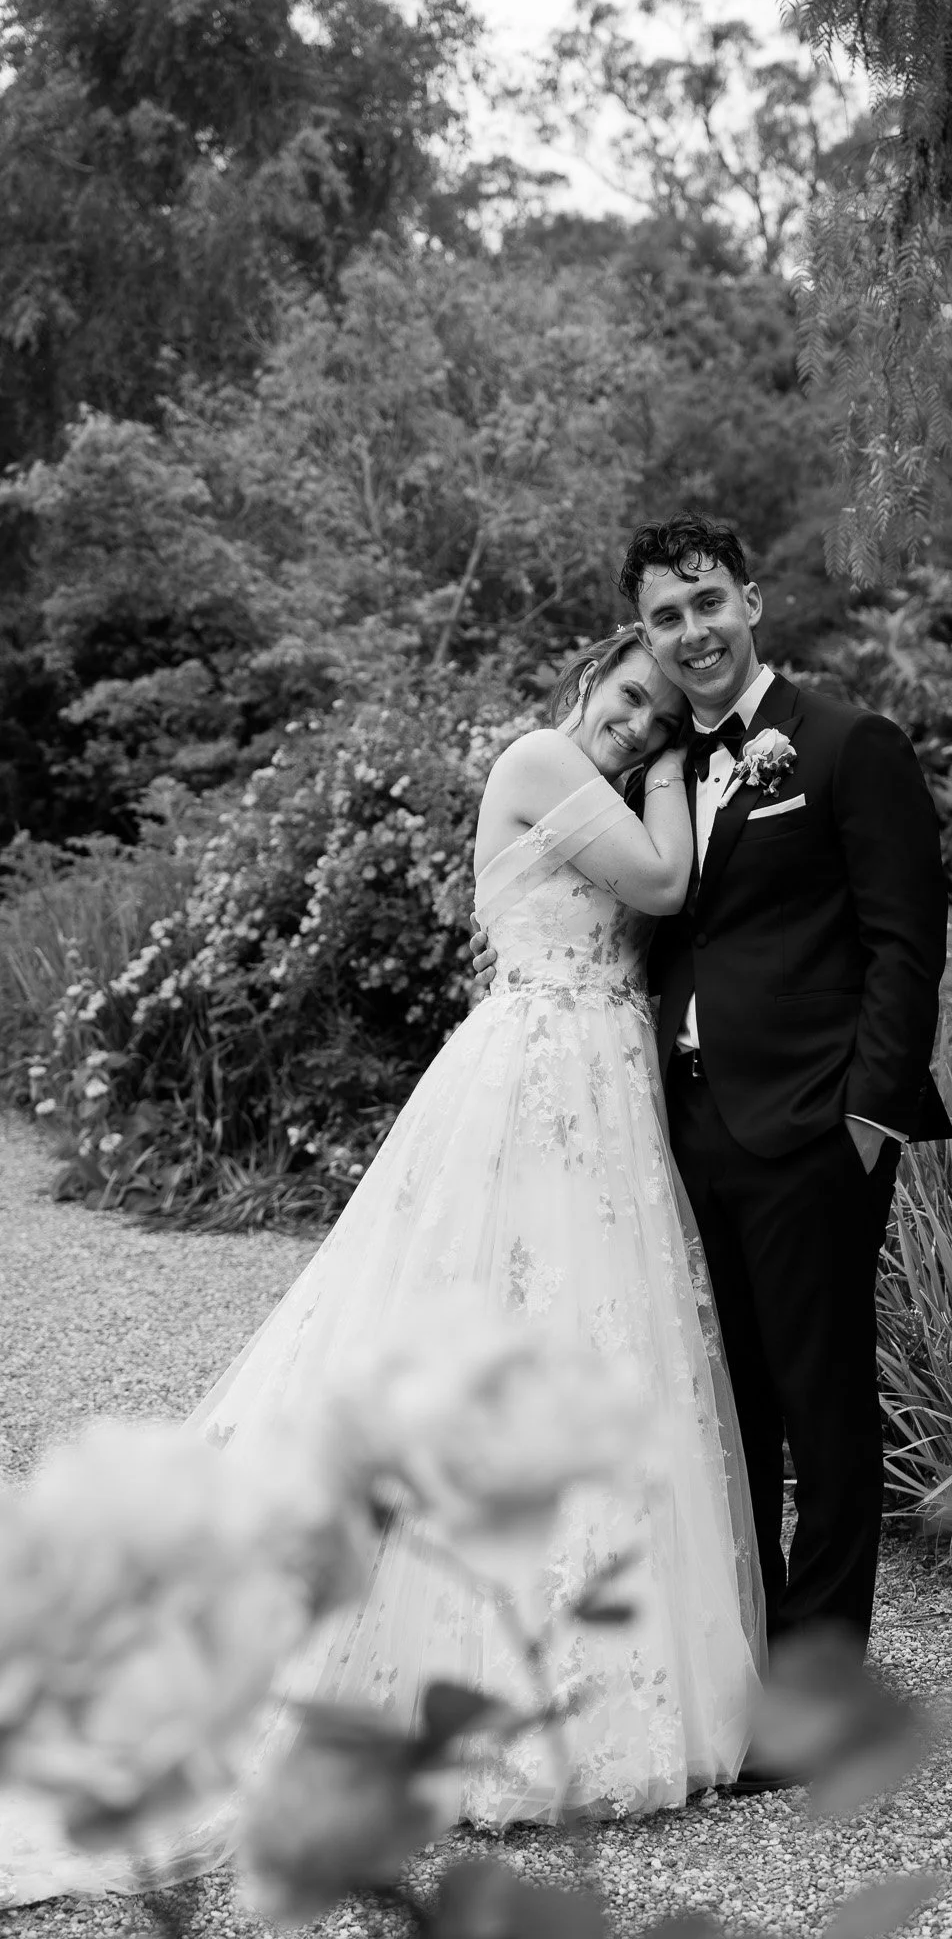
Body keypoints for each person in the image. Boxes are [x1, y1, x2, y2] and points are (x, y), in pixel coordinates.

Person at [0, 628, 763, 1907]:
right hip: (535, 1080)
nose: (639, 725)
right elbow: (663, 880)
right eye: (633, 699)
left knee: (590, 1344)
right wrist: (688, 764)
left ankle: (578, 1687)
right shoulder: (542, 757)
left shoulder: (593, 780)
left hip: (605, 1091)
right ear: (589, 680)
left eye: (658, 720)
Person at [476, 514, 952, 1796]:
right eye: (666, 615)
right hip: (675, 1135)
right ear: (641, 632)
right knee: (722, 1416)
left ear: (753, 599)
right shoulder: (650, 767)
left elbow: (906, 945)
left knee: (824, 1414)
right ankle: (737, 1678)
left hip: (811, 1133)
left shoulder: (846, 744)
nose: (692, 632)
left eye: (707, 603)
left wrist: (867, 1117)